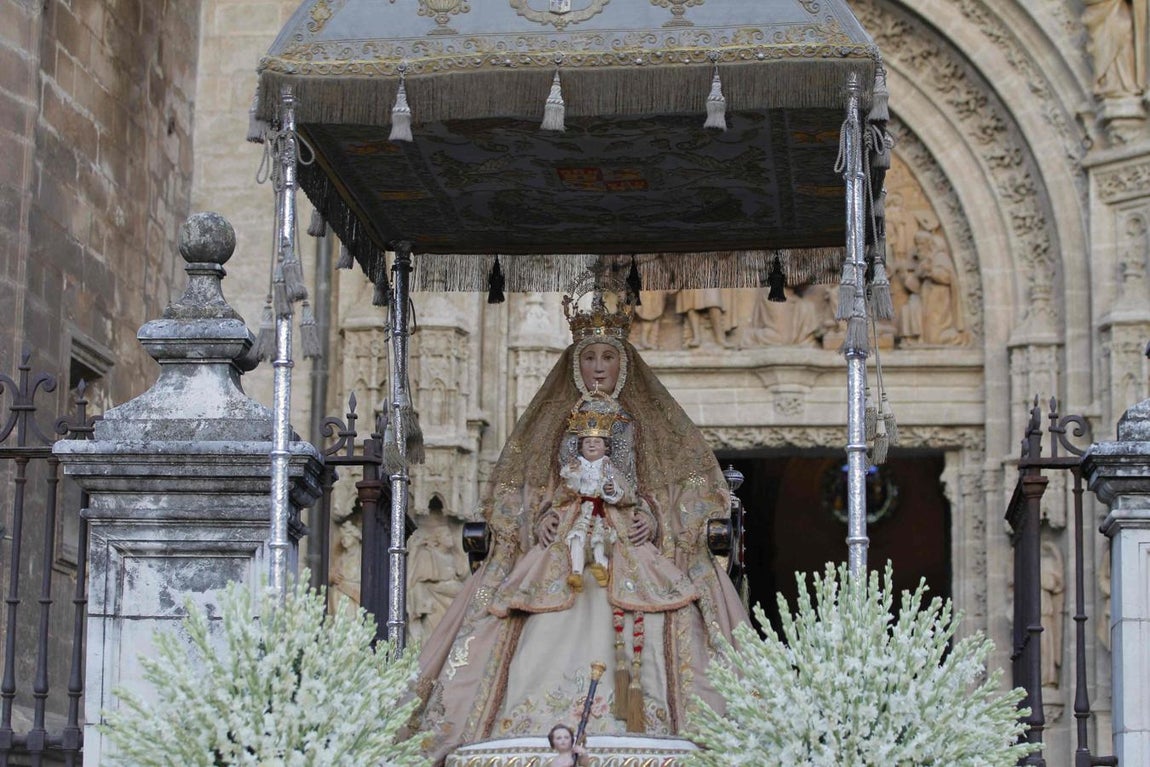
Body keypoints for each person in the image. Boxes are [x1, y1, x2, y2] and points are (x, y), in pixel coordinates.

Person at [412, 286, 748, 764]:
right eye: (588, 356)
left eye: (607, 357)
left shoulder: (639, 423)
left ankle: (637, 717)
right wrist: (543, 518)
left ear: (622, 364)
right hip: (567, 543)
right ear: (575, 364)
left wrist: (649, 516)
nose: (597, 367)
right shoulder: (556, 425)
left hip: (626, 545)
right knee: (537, 617)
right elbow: (534, 489)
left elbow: (661, 487)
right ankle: (533, 725)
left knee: (643, 615)